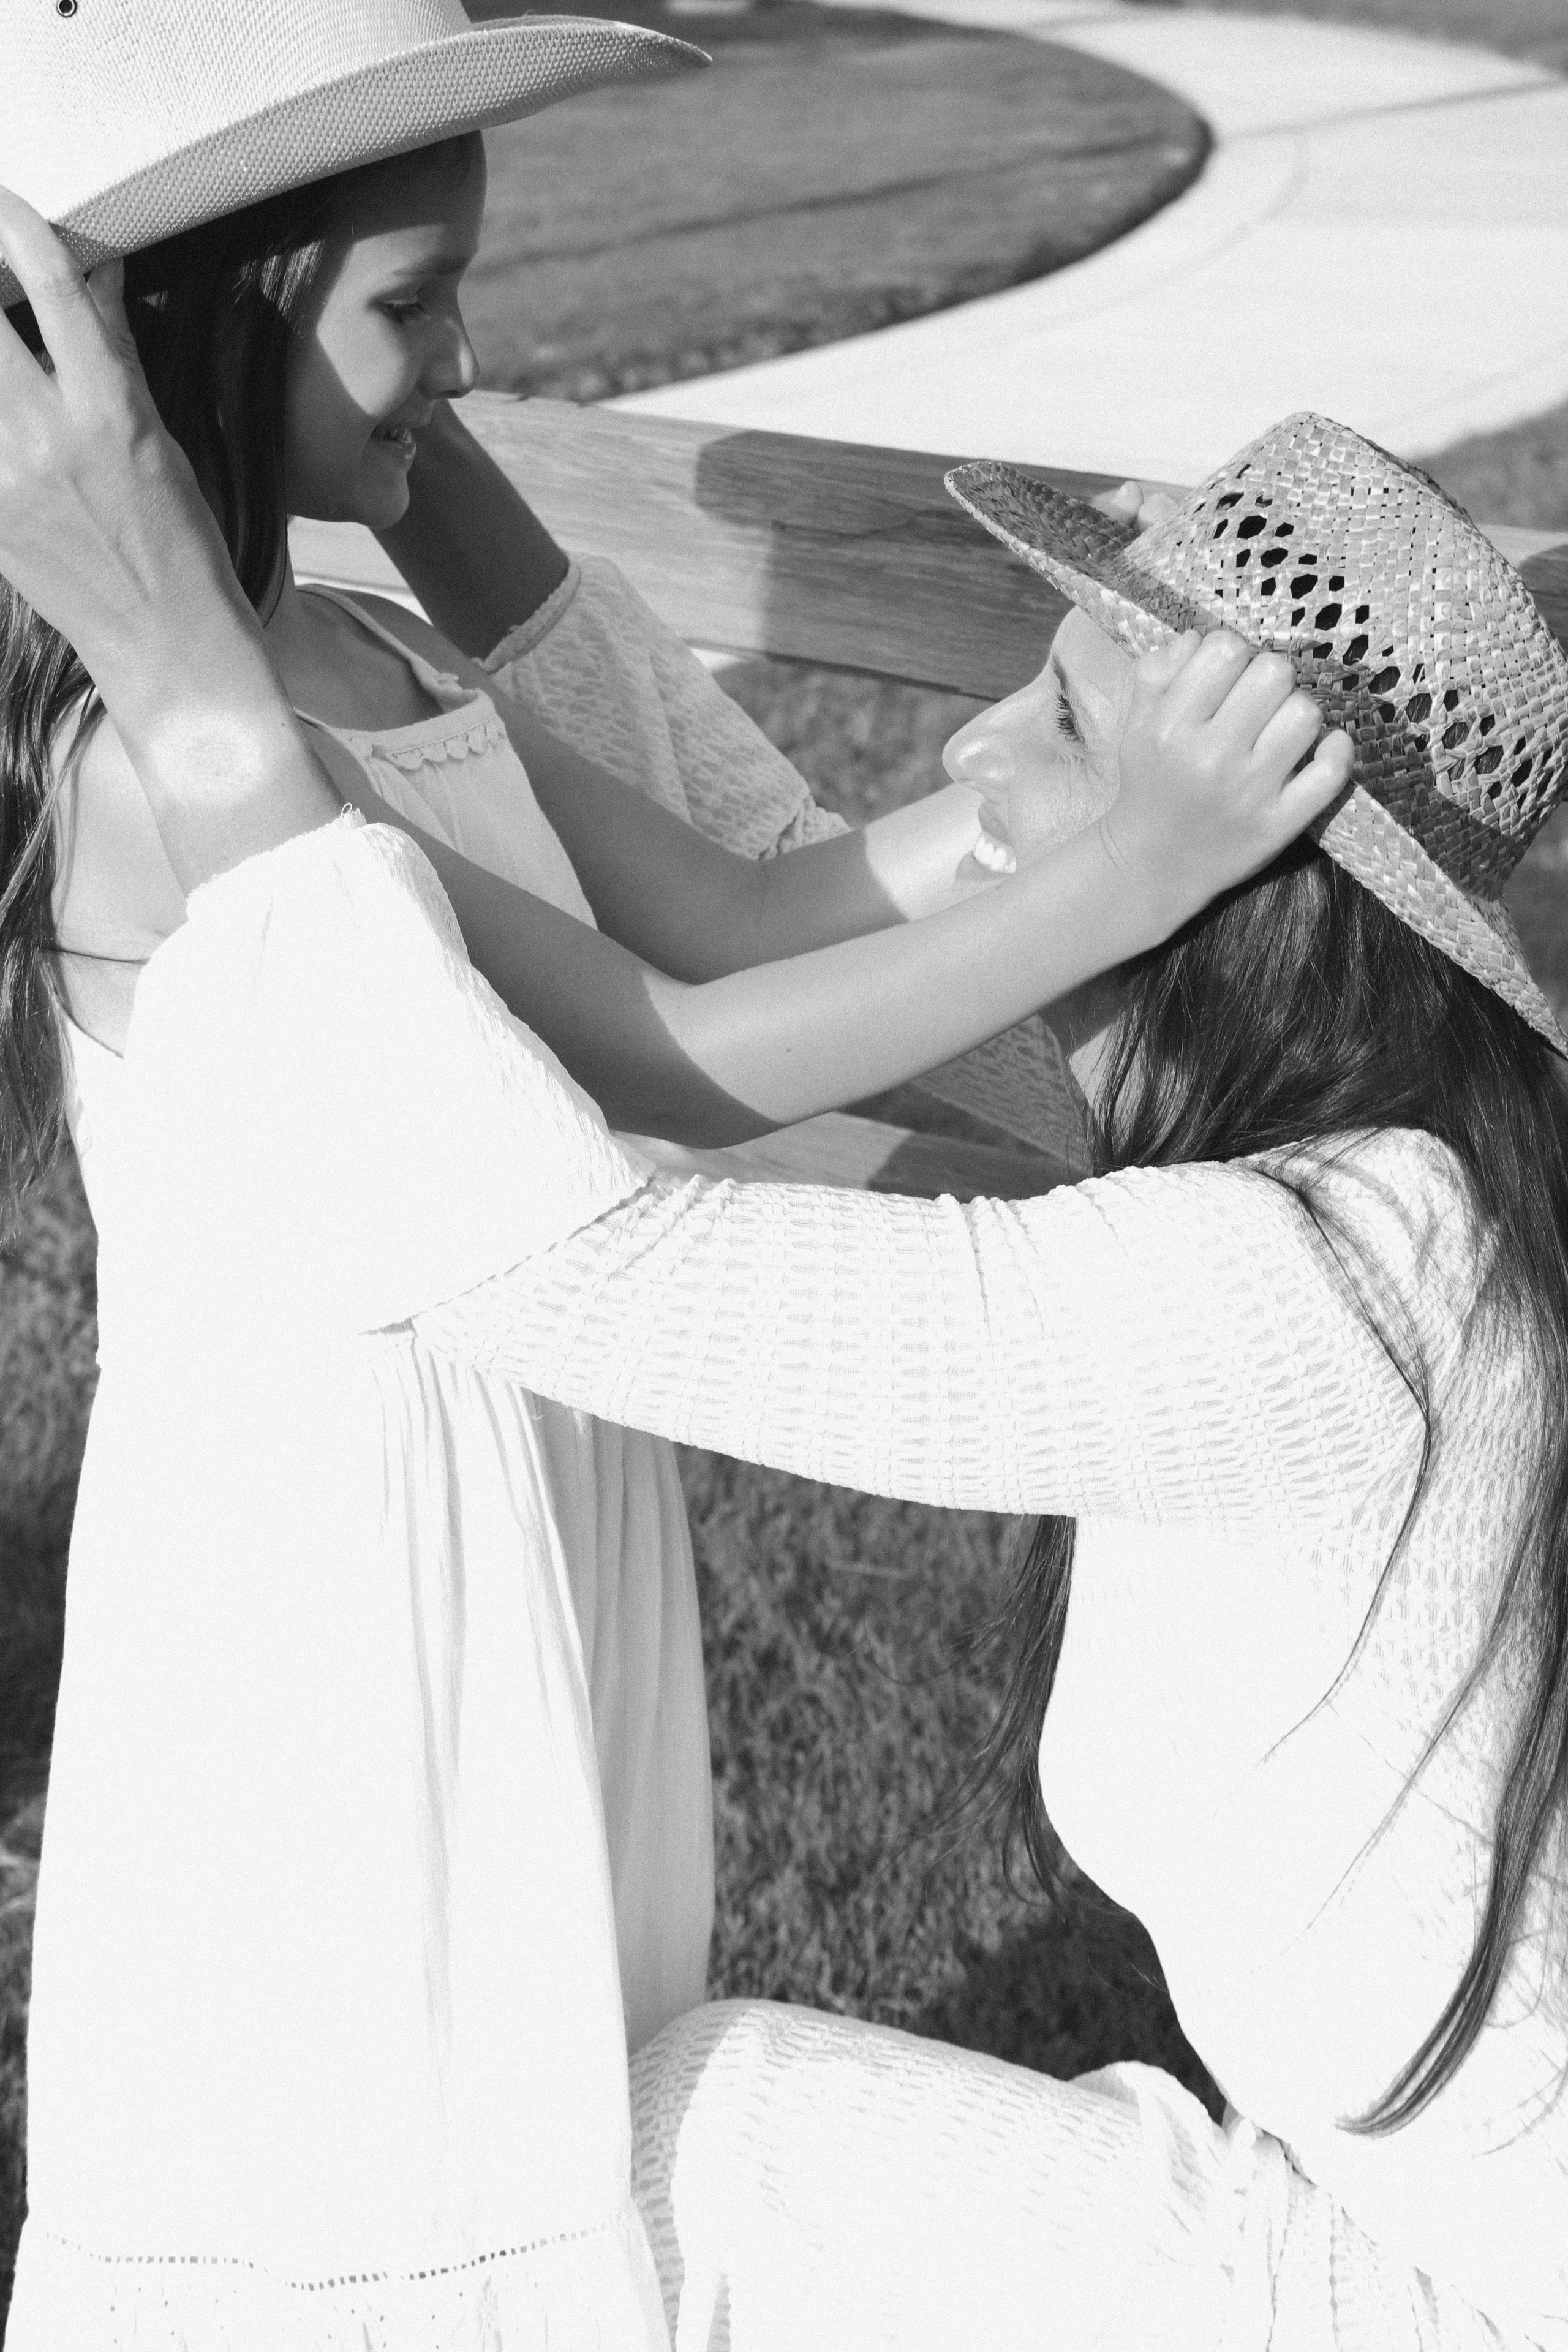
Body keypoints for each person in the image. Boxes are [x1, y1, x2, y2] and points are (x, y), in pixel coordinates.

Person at [7, 166, 1568, 2352]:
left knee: (633, 2160)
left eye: (1070, 730)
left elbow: (564, 1234)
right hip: (1439, 2218)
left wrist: (189, 663)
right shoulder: (1363, 1167)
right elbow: (757, 891)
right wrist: (450, 517)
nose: (966, 750)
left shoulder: (1297, 1299)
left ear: (1254, 874)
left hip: (1477, 2292)